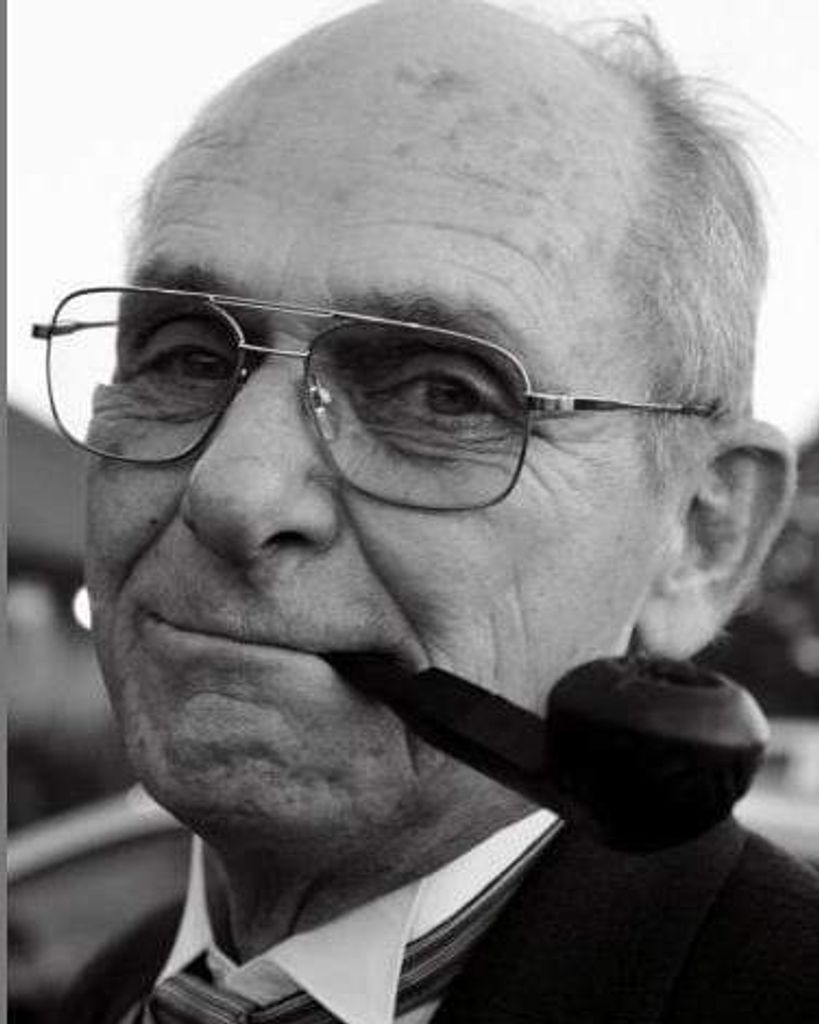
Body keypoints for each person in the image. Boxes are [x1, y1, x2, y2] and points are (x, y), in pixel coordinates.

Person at [44, 1, 818, 1021]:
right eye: (186, 356)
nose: (232, 492)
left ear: (703, 535)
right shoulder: (113, 986)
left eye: (442, 394)